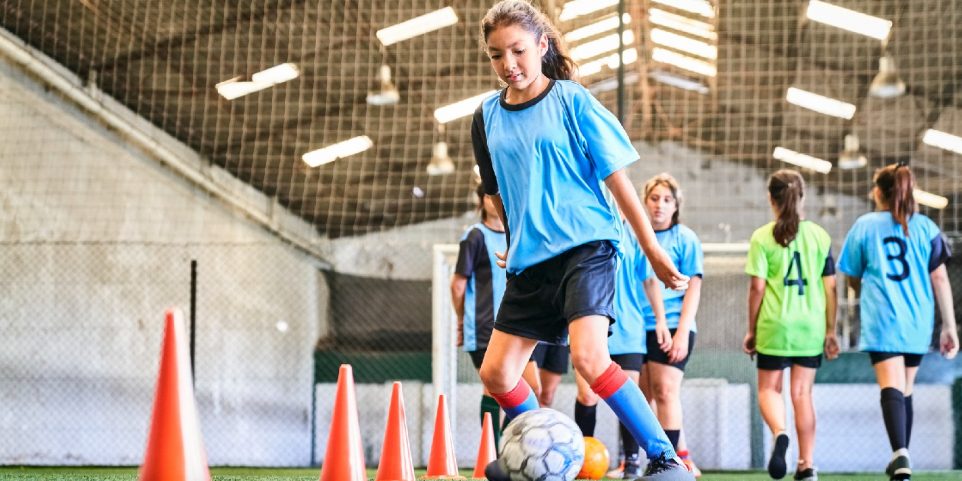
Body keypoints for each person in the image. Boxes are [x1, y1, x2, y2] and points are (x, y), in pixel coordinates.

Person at [471, 2, 693, 480]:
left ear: (542, 45)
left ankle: (664, 458)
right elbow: (497, 191)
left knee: (590, 358)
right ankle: (533, 448)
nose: (508, 64)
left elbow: (618, 180)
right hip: (530, 261)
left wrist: (652, 248)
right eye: (495, 55)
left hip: (585, 248)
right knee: (496, 375)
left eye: (517, 50)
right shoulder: (485, 116)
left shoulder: (571, 100)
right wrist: (515, 238)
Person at [837, 163, 958, 481]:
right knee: (905, 389)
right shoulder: (926, 228)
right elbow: (941, 279)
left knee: (891, 386)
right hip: (918, 321)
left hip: (883, 320)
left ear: (878, 192)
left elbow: (852, 275)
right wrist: (949, 326)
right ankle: (902, 454)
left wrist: (862, 287)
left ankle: (900, 454)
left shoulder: (864, 226)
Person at [742, 170, 839, 481]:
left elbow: (757, 289)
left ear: (771, 199)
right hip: (809, 327)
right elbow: (831, 288)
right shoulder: (820, 236)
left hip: (775, 324)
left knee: (769, 389)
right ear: (802, 197)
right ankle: (807, 464)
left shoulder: (761, 237)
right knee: (802, 394)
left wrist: (752, 330)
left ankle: (780, 432)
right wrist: (830, 330)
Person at [573, 216, 668, 479]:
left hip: (628, 330)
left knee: (625, 396)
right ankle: (581, 461)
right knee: (587, 396)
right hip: (589, 325)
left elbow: (649, 280)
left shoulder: (635, 238)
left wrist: (660, 320)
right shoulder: (585, 227)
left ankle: (632, 462)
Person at [451, 183, 541, 448]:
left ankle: (507, 444)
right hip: (484, 326)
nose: (496, 200)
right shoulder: (475, 236)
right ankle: (491, 450)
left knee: (532, 386)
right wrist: (460, 319)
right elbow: (457, 285)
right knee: (493, 388)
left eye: (501, 195)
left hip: (519, 323)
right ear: (481, 201)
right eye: (490, 195)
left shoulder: (519, 234)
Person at [636, 174, 704, 478]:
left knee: (665, 391)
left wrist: (681, 334)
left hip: (675, 325)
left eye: (667, 200)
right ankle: (636, 460)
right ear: (645, 201)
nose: (660, 205)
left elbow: (693, 287)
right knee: (643, 397)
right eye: (654, 198)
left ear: (676, 205)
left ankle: (669, 465)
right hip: (637, 326)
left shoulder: (685, 238)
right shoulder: (636, 235)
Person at [531, 342, 568, 407]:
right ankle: (519, 417)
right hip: (533, 337)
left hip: (559, 339)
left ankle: (540, 417)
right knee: (533, 393)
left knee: (547, 398)